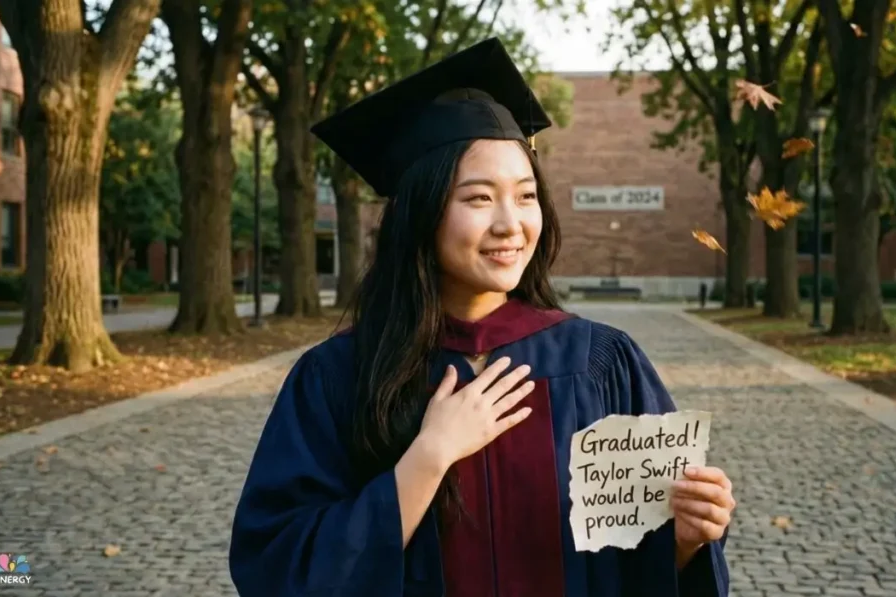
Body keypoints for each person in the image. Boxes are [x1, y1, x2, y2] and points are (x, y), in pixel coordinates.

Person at [228, 37, 734, 597]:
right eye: (477, 199)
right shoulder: (338, 376)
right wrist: (428, 457)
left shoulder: (600, 365)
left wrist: (687, 541)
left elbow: (640, 556)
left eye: (525, 196)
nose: (509, 224)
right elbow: (277, 564)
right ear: (422, 212)